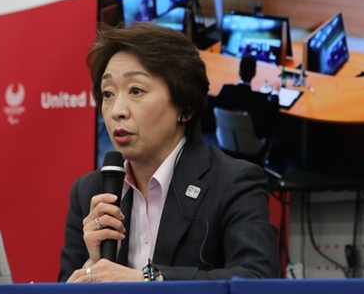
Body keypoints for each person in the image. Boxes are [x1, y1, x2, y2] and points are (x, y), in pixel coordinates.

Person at [59, 22, 279, 283]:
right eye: (108, 94)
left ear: (184, 107)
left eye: (136, 91)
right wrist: (92, 267)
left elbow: (255, 279)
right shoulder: (89, 191)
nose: (117, 110)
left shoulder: (233, 182)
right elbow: (64, 285)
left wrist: (148, 279)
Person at [214, 55, 281, 142]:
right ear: (254, 73)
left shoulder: (225, 90)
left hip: (226, 142)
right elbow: (273, 108)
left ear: (239, 72)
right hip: (252, 146)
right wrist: (275, 92)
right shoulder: (258, 98)